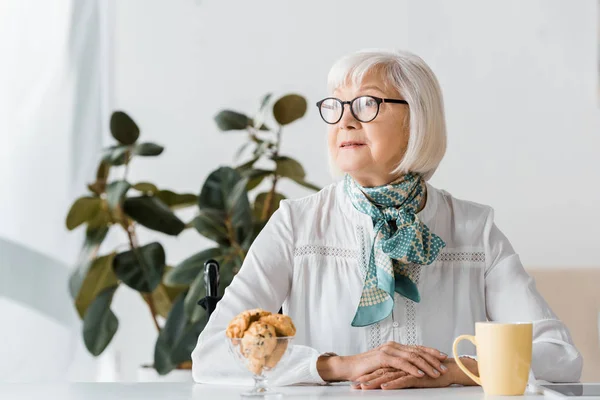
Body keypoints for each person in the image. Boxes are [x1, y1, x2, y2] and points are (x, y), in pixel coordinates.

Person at [191, 49, 582, 390]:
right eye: (336, 106)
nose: (344, 120)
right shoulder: (296, 224)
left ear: (417, 120)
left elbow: (560, 358)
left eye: (365, 104)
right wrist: (341, 365)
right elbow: (214, 353)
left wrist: (452, 371)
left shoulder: (474, 229)